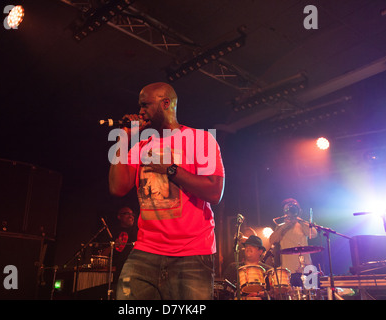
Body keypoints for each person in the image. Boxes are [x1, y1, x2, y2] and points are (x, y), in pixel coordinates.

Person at [108, 82, 225, 300]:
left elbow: (214, 192)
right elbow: (117, 188)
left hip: (192, 252)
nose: (140, 111)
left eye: (145, 105)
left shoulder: (201, 140)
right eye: (139, 106)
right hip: (146, 250)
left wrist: (171, 170)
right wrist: (123, 138)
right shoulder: (140, 147)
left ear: (165, 104)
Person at [269, 198, 317, 287]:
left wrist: (300, 220)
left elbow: (314, 234)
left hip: (306, 269)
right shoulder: (280, 227)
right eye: (287, 210)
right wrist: (285, 225)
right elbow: (272, 240)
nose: (290, 212)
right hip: (288, 271)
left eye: (293, 209)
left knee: (311, 294)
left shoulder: (302, 225)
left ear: (299, 211)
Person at [223, 235, 269, 299]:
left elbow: (273, 293)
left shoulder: (268, 270)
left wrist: (259, 294)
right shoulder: (233, 267)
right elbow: (224, 290)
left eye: (253, 246)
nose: (248, 247)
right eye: (247, 246)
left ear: (260, 251)